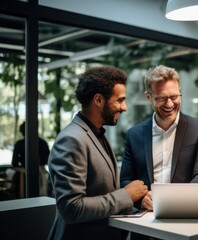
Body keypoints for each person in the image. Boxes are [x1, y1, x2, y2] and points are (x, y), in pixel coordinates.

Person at [47, 66, 148, 240]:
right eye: (120, 100)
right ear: (99, 100)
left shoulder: (97, 133)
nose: (125, 108)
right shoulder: (71, 140)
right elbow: (72, 208)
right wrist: (126, 195)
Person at [120, 64, 198, 210]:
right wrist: (141, 200)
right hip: (145, 219)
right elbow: (125, 180)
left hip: (184, 213)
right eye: (162, 98)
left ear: (180, 92)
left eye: (174, 96)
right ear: (148, 97)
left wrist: (172, 201)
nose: (169, 104)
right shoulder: (134, 135)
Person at [11, 121, 50, 197]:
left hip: (23, 175)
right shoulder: (43, 143)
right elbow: (48, 159)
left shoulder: (19, 144)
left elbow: (14, 163)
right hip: (40, 174)